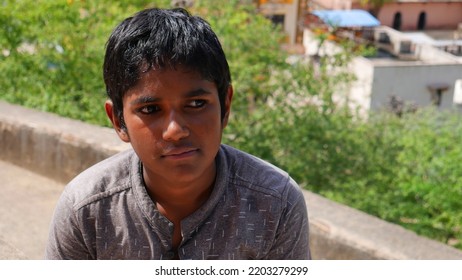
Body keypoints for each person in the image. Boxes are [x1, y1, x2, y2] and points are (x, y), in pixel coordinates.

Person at [45, 7, 310, 260]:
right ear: (118, 121)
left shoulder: (276, 204)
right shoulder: (86, 210)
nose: (175, 131)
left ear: (225, 106)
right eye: (150, 109)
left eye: (196, 104)